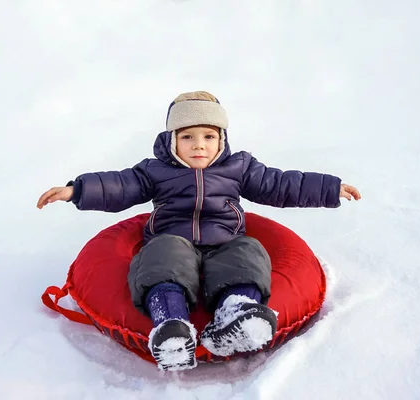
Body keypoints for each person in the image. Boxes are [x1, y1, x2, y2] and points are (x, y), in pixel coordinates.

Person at [37, 91, 361, 371]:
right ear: (171, 139)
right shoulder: (154, 170)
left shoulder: (239, 167)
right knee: (163, 258)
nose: (199, 146)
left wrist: (330, 189)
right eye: (187, 137)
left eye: (208, 136)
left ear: (222, 138)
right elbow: (119, 186)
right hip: (173, 239)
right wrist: (76, 190)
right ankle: (171, 324)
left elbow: (280, 184)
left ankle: (237, 312)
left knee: (248, 252)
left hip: (225, 240)